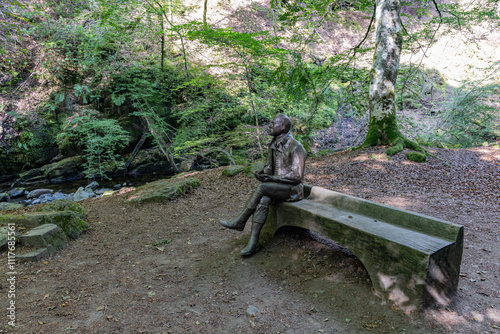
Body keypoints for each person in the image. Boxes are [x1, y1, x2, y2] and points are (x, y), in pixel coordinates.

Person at [220, 114, 306, 256]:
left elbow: (296, 176)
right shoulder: (273, 144)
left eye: (273, 123)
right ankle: (253, 242)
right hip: (277, 187)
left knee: (262, 188)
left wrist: (272, 178)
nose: (270, 125)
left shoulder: (296, 146)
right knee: (263, 200)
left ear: (283, 127)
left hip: (293, 190)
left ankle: (241, 221)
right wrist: (263, 173)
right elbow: (269, 167)